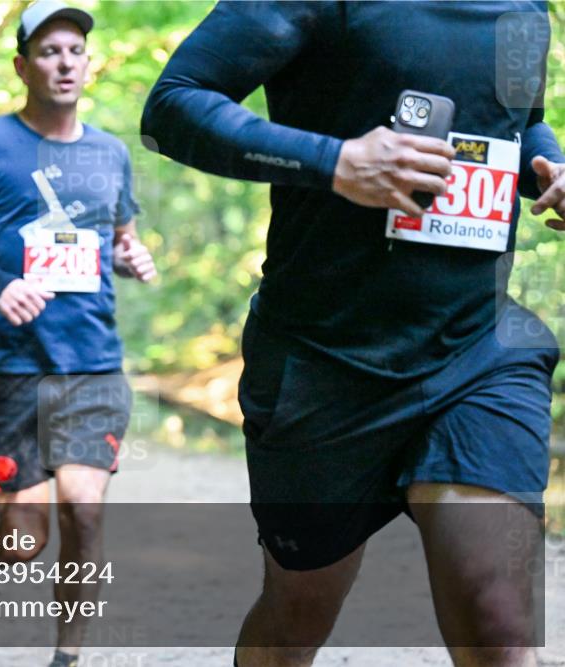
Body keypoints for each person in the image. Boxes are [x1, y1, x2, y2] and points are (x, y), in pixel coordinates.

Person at [141, 3, 565, 667]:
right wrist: (335, 161)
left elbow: (521, 124)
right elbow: (172, 105)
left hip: (477, 350)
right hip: (323, 360)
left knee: (499, 624)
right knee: (296, 618)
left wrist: (551, 167)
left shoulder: (525, 7)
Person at [0, 2, 157, 664]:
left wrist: (132, 258)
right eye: (49, 51)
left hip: (92, 366)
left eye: (75, 51)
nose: (64, 62)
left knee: (86, 510)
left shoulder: (111, 153)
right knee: (27, 535)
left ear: (89, 63)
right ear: (23, 65)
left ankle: (67, 657)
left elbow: (118, 240)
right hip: (9, 366)